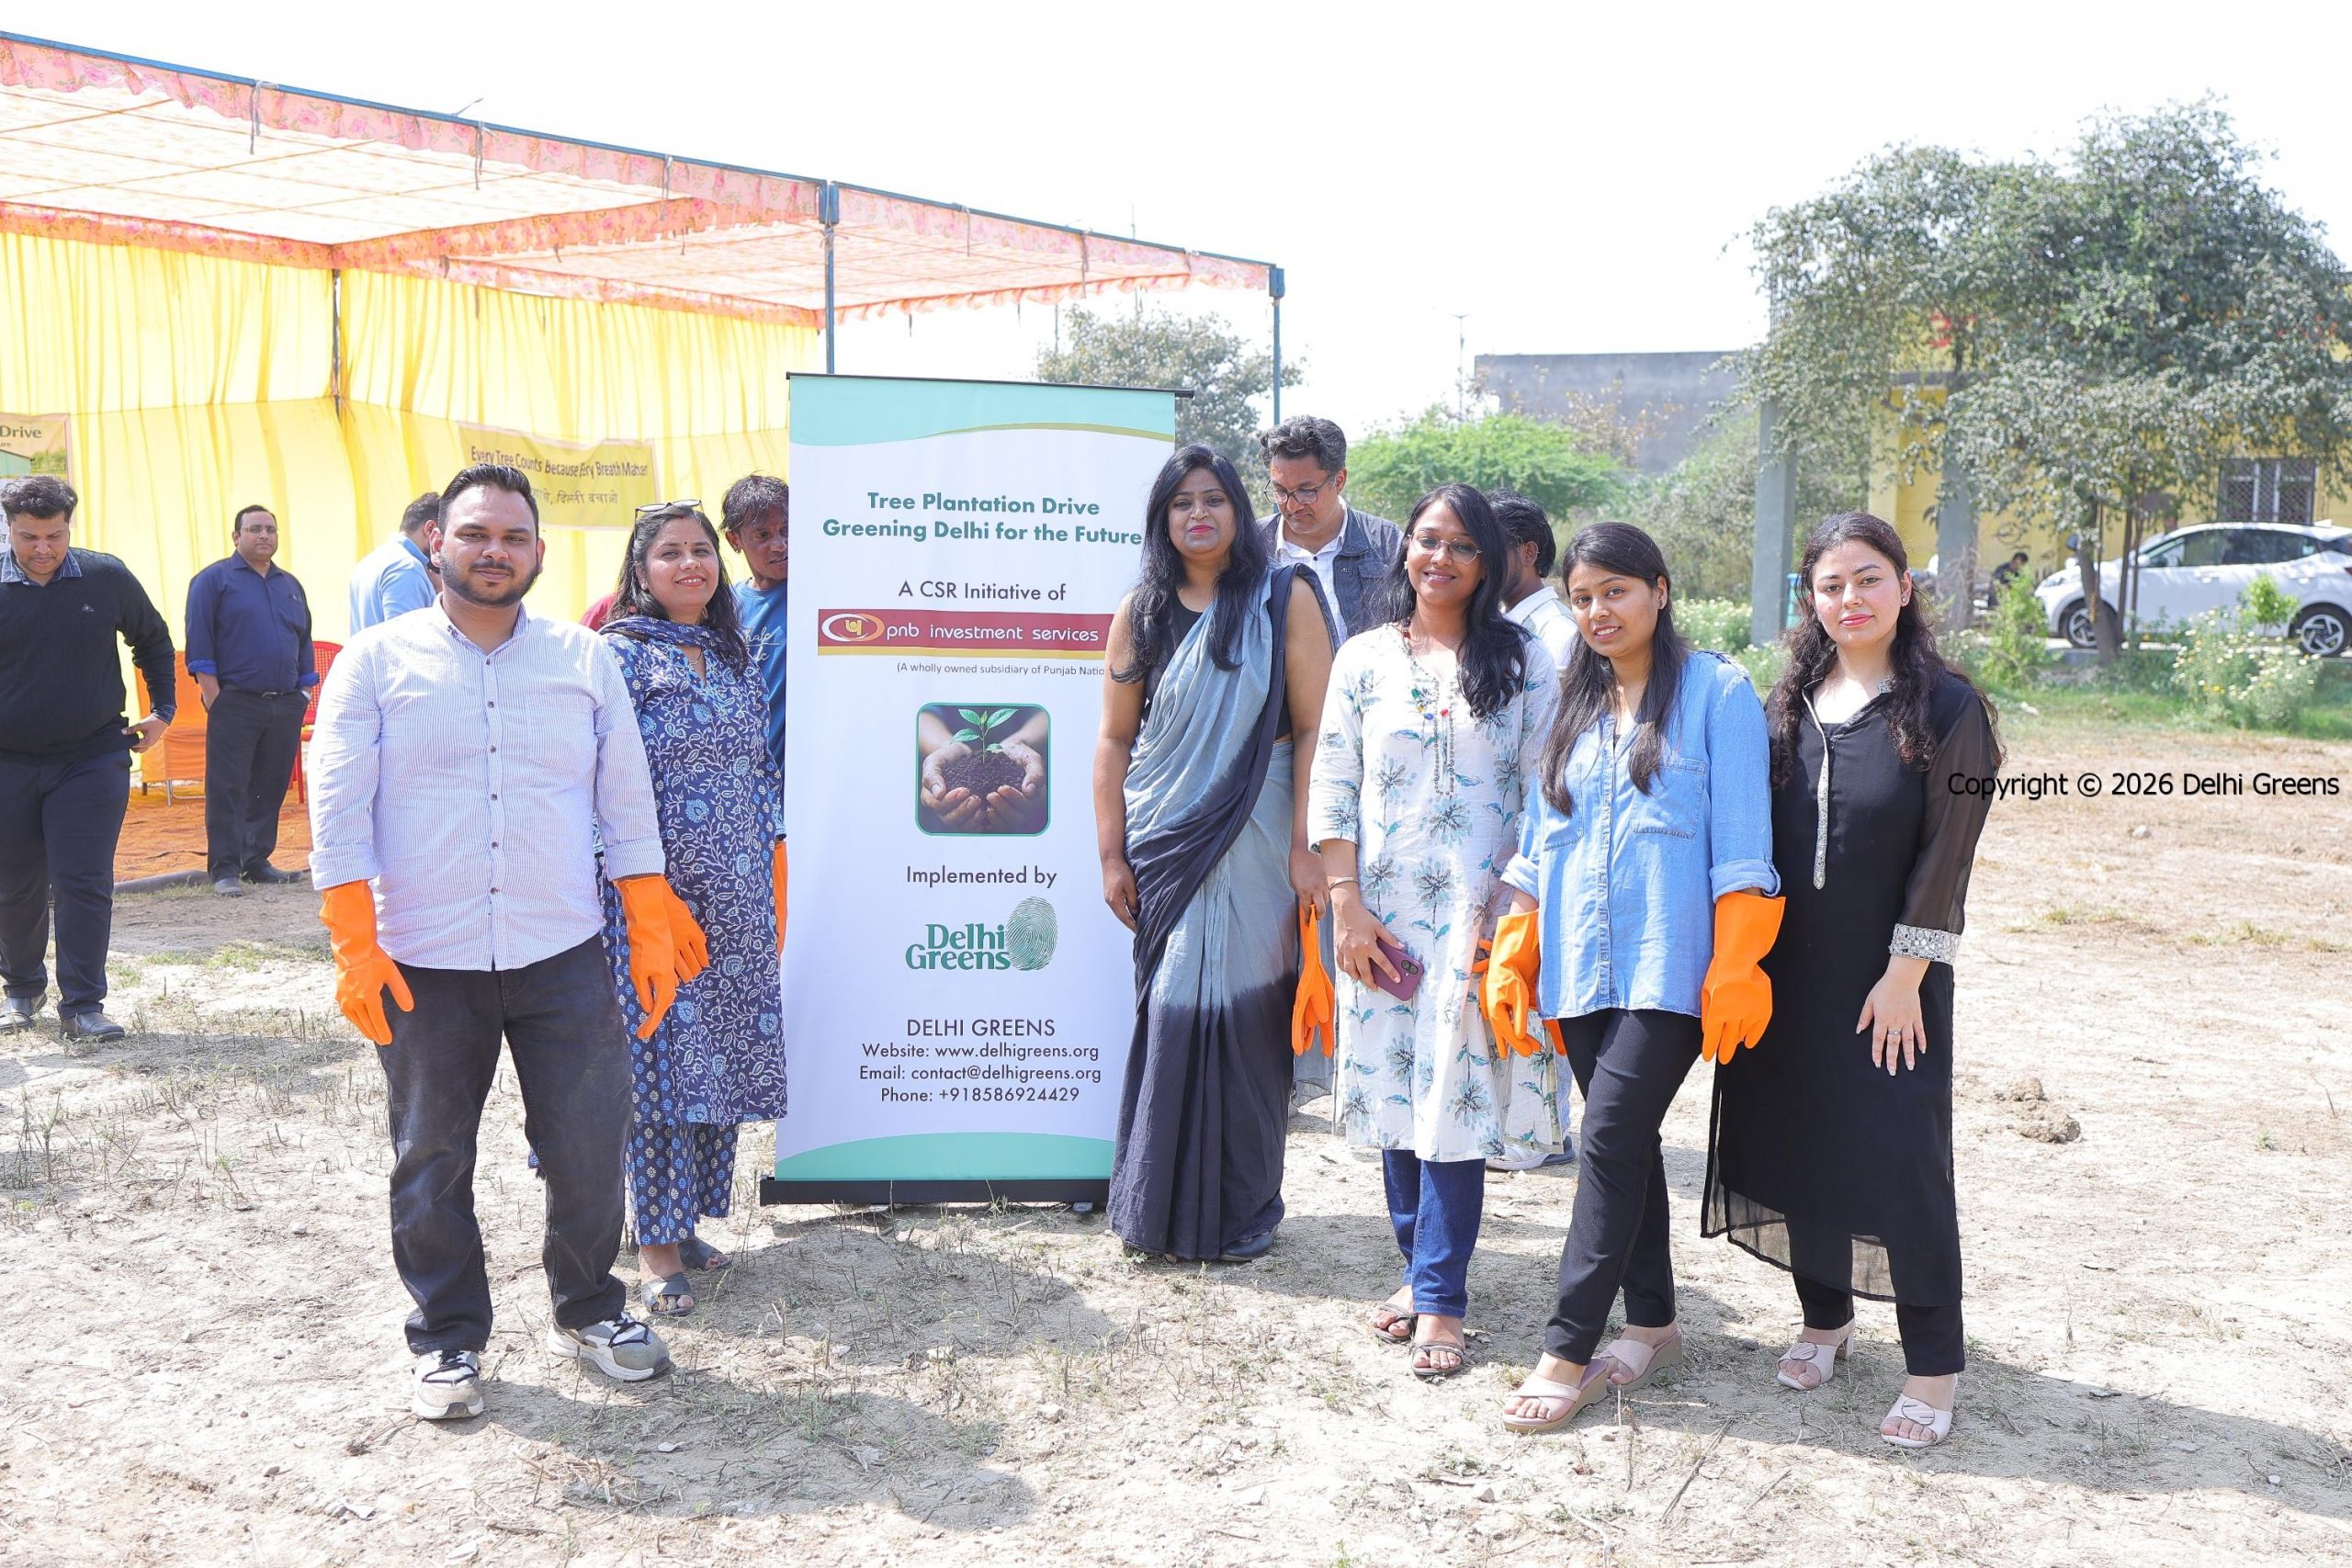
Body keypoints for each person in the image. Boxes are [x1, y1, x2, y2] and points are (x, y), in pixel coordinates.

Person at [307, 463, 703, 1422]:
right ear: (436, 542)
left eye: (514, 537)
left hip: (560, 946)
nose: (495, 551)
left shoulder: (582, 658)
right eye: (476, 534)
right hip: (423, 955)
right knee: (430, 1154)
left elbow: (626, 800)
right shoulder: (374, 660)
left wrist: (649, 921)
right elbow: (338, 807)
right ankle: (447, 1336)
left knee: (586, 1143)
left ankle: (591, 1308)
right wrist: (355, 940)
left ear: (538, 551)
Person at [1704, 511, 2000, 1450]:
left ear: (1904, 588)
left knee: (1901, 1161)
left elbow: (1948, 858)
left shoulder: (1950, 710)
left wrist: (1906, 973)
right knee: (1800, 1142)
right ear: (1810, 601)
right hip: (1784, 973)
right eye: (1830, 585)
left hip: (1889, 981)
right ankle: (1824, 1319)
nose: (1851, 599)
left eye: (1869, 578)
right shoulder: (1785, 706)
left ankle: (1932, 1369)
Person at [1486, 521, 1781, 1432]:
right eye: (1581, 598)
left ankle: (1566, 1349)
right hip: (1579, 964)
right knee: (1631, 1144)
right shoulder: (1572, 704)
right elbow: (1540, 841)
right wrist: (1513, 945)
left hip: (1672, 966)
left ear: (1659, 590)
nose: (1597, 611)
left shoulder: (1718, 692)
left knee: (1608, 1137)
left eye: (1614, 590)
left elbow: (1743, 843)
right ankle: (1653, 1324)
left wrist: (1737, 960)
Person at [1309, 483, 1558, 1379]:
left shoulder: (1523, 659)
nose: (1439, 558)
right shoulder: (1365, 657)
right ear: (1405, 550)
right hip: (1380, 916)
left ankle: (1442, 1299)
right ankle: (1419, 1269)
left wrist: (1515, 908)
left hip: (1477, 916)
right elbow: (1333, 781)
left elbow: (1547, 789)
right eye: (1426, 540)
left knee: (1456, 1098)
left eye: (1459, 545)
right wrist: (1345, 904)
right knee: (1392, 1093)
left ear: (1486, 561)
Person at [1096, 445, 1332, 1263]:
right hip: (1167, 843)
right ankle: (1155, 1207)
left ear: (1239, 510)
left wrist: (1305, 845)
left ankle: (1243, 1210)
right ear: (1162, 519)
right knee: (1170, 1009)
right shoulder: (1142, 612)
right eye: (1181, 502)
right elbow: (1114, 739)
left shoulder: (1284, 596)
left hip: (1261, 832)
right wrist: (1110, 854)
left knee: (1248, 1017)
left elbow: (1316, 729)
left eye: (1213, 499)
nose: (1198, 514)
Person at [597, 502, 788, 1317]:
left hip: (737, 890)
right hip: (655, 895)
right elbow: (597, 776)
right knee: (662, 1065)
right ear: (641, 571)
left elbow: (759, 767)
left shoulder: (734, 652)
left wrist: (772, 857)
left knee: (721, 1054)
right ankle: (655, 1243)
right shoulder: (618, 655)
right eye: (670, 552)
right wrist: (639, 885)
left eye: (701, 550)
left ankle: (689, 1220)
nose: (689, 565)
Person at [0, 476, 175, 1043]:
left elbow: (152, 639)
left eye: (54, 535)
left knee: (84, 881)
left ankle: (83, 1005)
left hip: (92, 756)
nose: (43, 548)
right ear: (9, 528)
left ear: (69, 527)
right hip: (8, 762)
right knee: (15, 883)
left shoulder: (105, 576)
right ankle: (22, 989)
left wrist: (163, 711)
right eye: (29, 537)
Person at [1485, 491, 1581, 1173]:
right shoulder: (1505, 627)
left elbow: (1560, 751)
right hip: (1516, 829)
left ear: (1525, 552)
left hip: (1545, 826)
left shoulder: (1556, 636)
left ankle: (1538, 1133)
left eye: (1485, 544)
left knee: (1538, 972)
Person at [185, 503, 317, 896]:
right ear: (236, 536)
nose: (264, 536)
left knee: (270, 784)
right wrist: (214, 695)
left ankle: (255, 861)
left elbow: (304, 639)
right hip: (235, 702)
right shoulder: (213, 581)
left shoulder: (289, 584)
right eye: (255, 529)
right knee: (228, 787)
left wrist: (304, 690)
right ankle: (225, 868)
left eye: (270, 529)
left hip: (285, 703)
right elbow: (200, 640)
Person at [720, 476, 790, 789]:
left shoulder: (820, 598)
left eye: (787, 530)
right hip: (743, 786)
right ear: (734, 540)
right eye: (762, 535)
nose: (780, 545)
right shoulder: (721, 608)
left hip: (807, 789)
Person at [347, 491, 441, 631]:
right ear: (430, 529)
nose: (443, 548)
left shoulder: (368, 563)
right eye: (443, 538)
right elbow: (406, 639)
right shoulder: (407, 567)